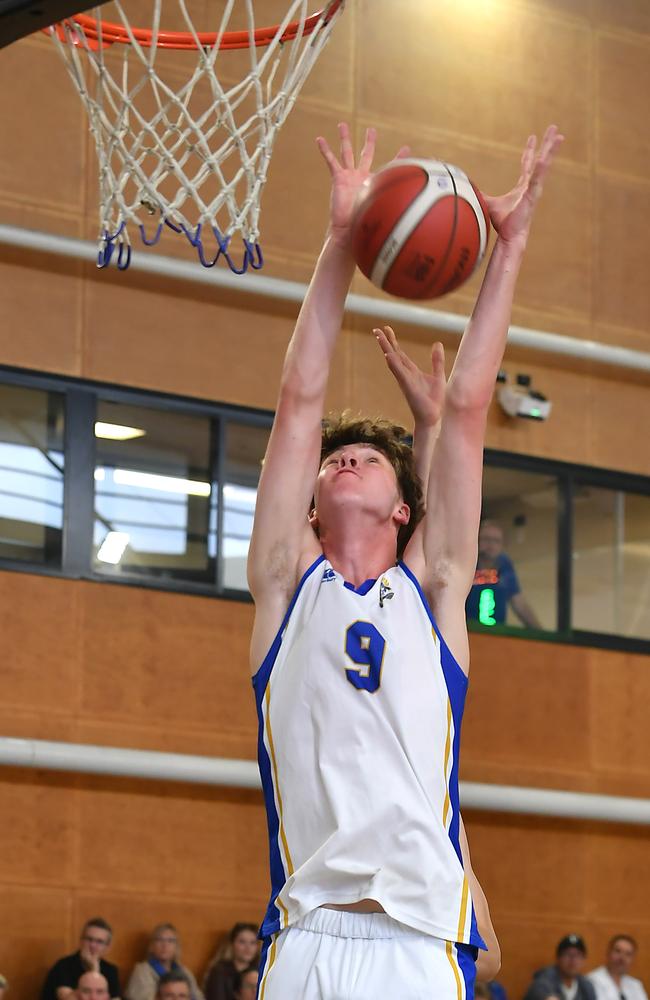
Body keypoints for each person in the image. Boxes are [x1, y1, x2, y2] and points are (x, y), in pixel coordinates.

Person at [247, 116, 562, 1000]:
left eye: (371, 459)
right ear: (308, 504)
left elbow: (467, 409)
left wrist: (510, 249)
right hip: (308, 934)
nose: (342, 459)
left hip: (422, 943)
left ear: (403, 505)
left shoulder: (435, 588)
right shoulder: (285, 582)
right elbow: (298, 395)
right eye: (331, 460)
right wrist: (342, 240)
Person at [466, 519, 541, 628]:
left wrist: (538, 630)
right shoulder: (467, 562)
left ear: (502, 545)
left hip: (496, 633)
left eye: (496, 541)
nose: (490, 544)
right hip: (468, 630)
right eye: (486, 539)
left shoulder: (504, 564)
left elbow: (518, 602)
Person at [41, 918, 121, 1000]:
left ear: (107, 947)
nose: (92, 945)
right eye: (89, 939)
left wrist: (95, 970)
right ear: (81, 941)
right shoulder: (63, 966)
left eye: (99, 942)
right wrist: (94, 970)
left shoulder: (111, 970)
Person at [125, 924, 203, 1000]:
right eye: (159, 940)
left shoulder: (185, 972)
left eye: (170, 941)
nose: (165, 945)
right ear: (152, 946)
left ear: (176, 947)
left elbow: (198, 997)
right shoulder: (142, 970)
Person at [522, 934, 596, 1000]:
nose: (573, 960)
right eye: (568, 954)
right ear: (558, 958)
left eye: (577, 955)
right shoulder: (543, 980)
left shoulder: (586, 986)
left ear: (583, 960)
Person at [202, 924, 259, 1000]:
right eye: (242, 942)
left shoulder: (260, 970)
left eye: (252, 943)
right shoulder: (219, 972)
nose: (248, 948)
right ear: (232, 944)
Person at [588, 935, 649, 1000]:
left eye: (628, 954)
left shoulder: (636, 985)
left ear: (632, 959)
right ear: (608, 953)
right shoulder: (591, 982)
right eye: (618, 951)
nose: (622, 958)